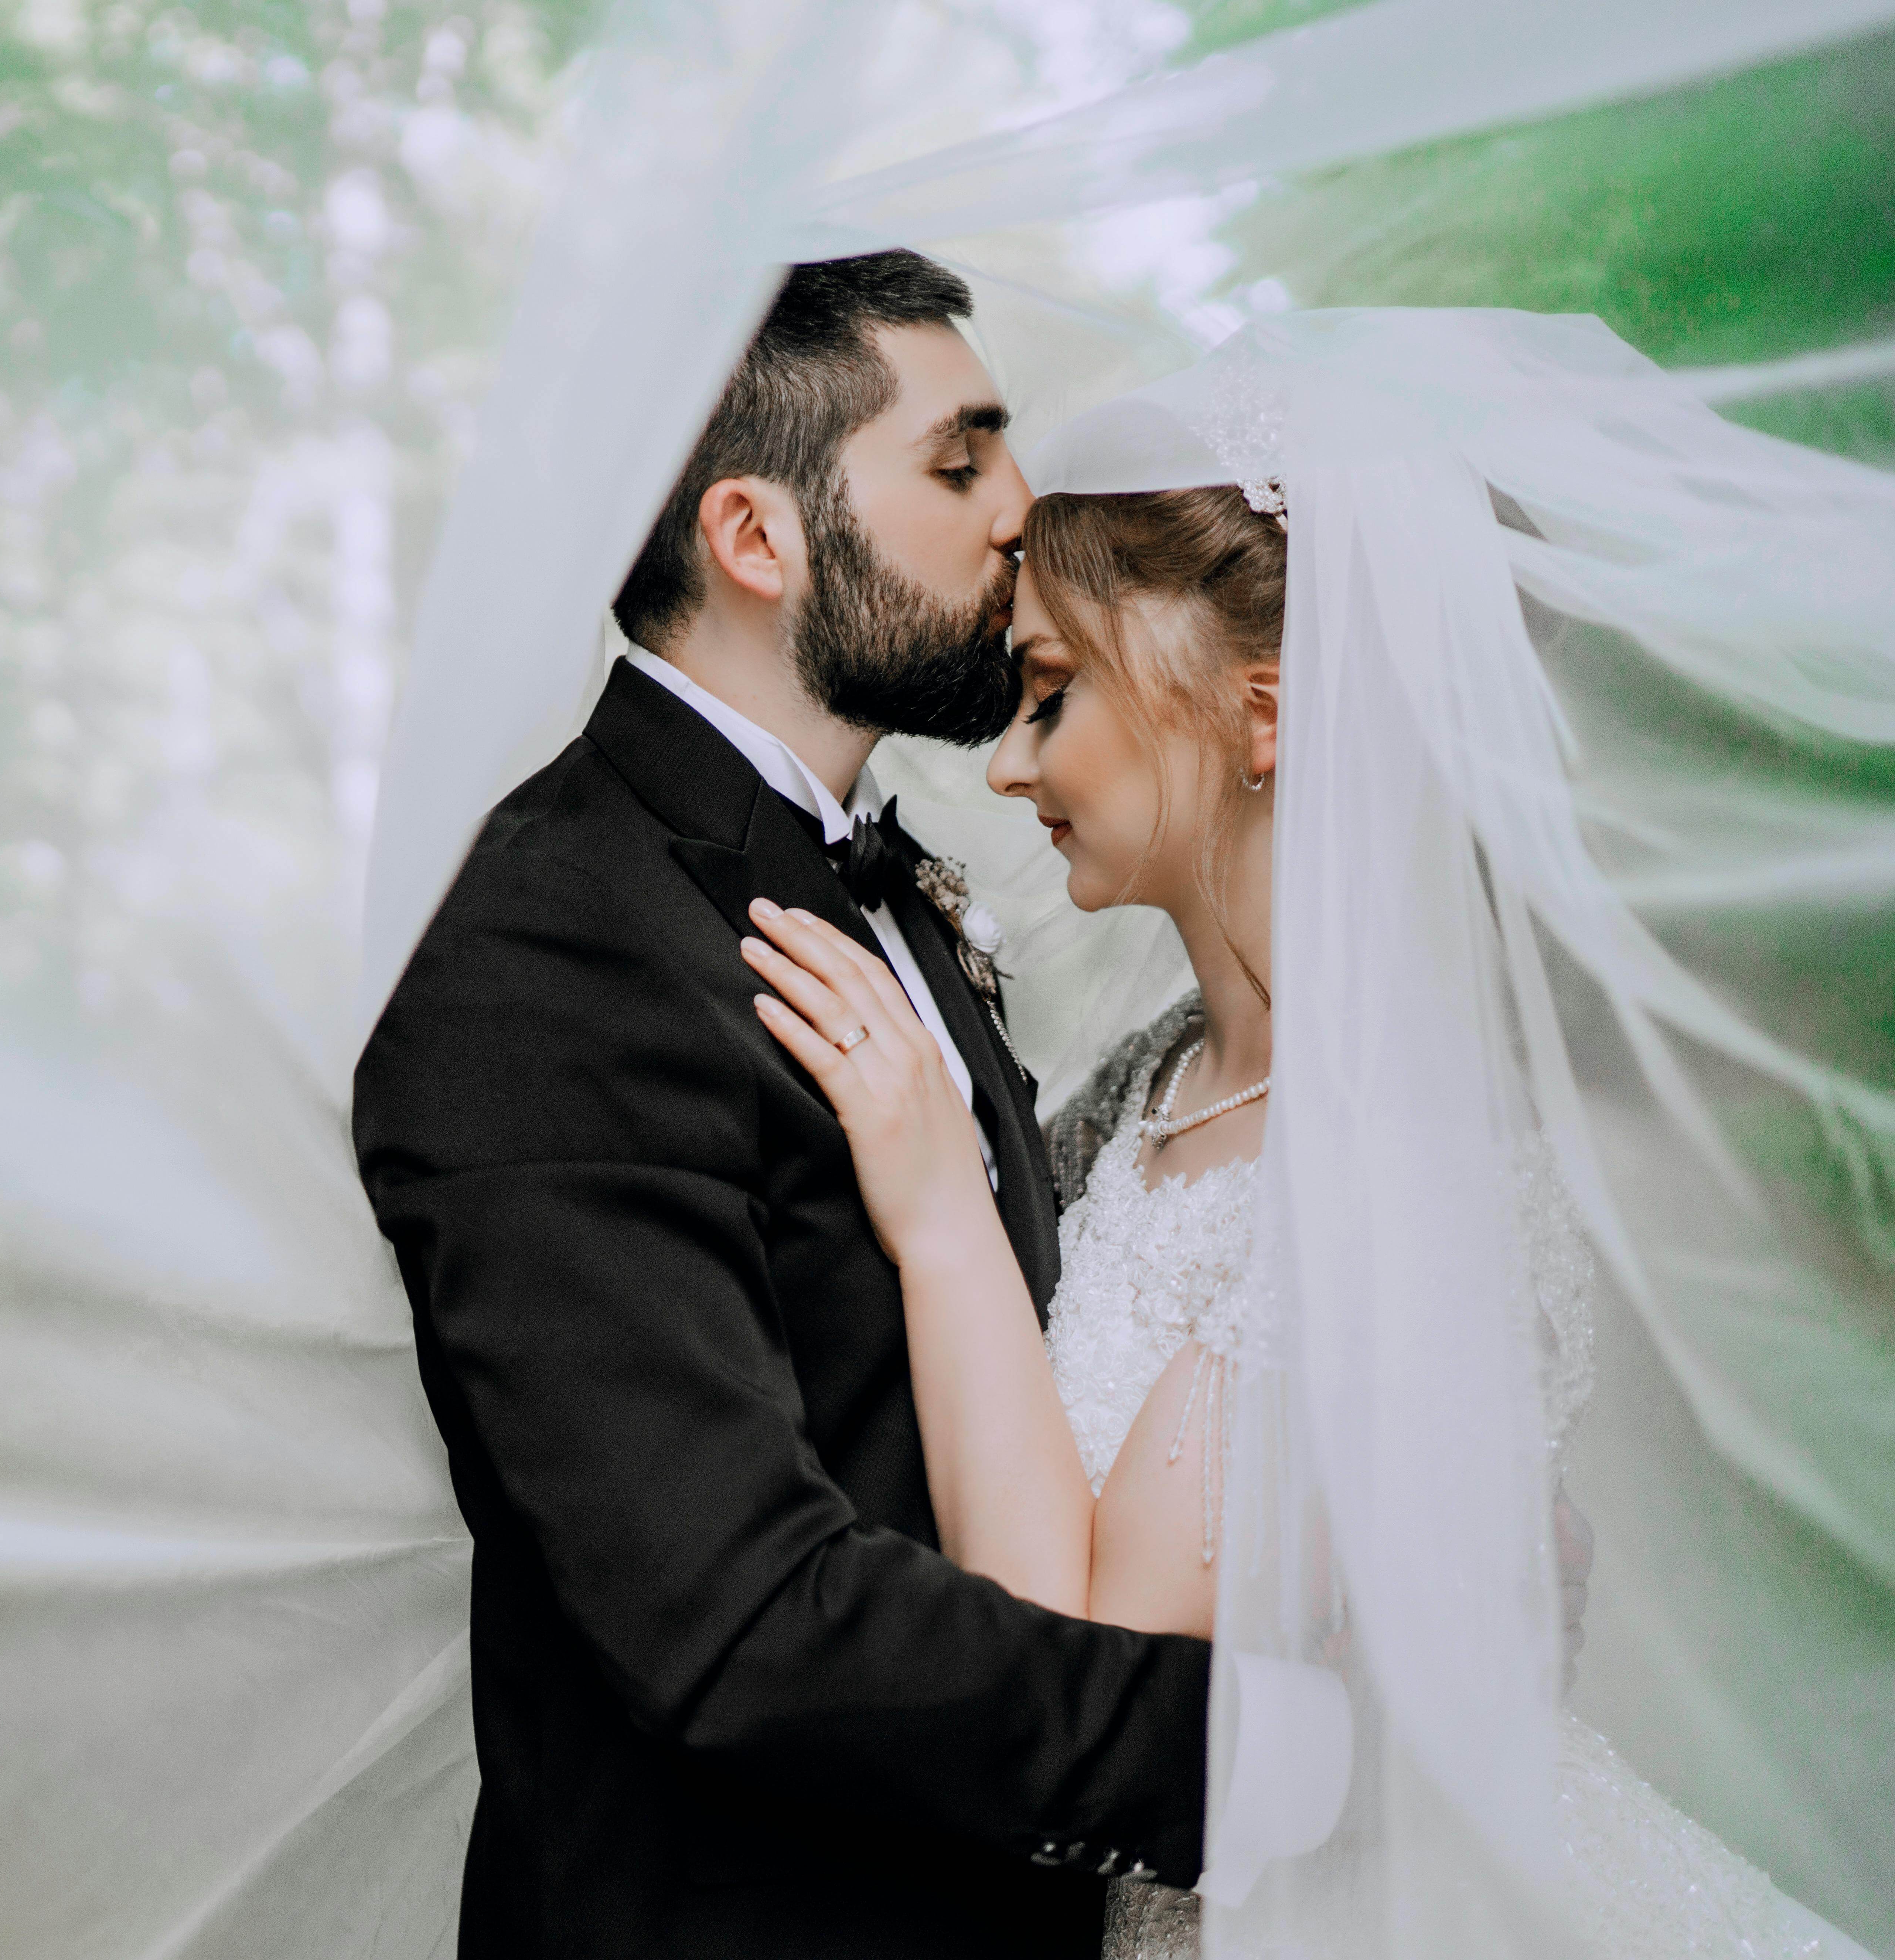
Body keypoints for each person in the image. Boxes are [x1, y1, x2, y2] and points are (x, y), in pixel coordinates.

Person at [738, 309, 1884, 1959]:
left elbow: (1071, 1666)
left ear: (1261, 717)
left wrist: (930, 1219)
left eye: (1050, 692)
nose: (1001, 763)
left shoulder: (1371, 1165)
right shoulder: (1147, 1088)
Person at [352, 252, 1323, 1960]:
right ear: (754, 539)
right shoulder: (552, 951)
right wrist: (1270, 1756)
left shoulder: (873, 880)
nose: (1021, 516)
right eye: (958, 465)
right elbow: (735, 1622)